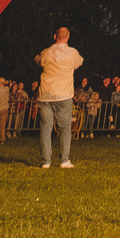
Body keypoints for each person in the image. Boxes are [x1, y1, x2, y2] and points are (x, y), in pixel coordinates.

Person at [36, 26, 84, 169]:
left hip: (46, 94)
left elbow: (38, 61)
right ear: (68, 37)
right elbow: (79, 63)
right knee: (65, 128)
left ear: (55, 36)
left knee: (45, 129)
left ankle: (46, 161)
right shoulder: (72, 53)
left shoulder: (46, 52)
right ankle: (64, 160)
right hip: (63, 94)